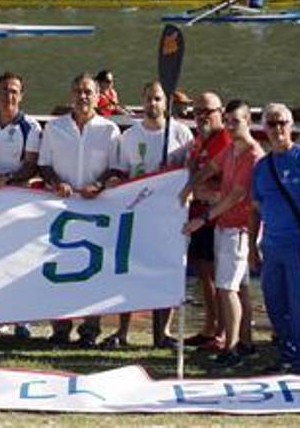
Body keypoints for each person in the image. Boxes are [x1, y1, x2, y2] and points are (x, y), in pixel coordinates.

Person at [101, 81, 193, 349]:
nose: (153, 104)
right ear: (142, 101)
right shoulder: (129, 137)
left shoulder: (181, 134)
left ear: (166, 102)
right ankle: (122, 331)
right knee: (131, 273)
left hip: (171, 218)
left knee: (167, 272)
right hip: (137, 216)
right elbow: (119, 174)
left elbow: (190, 172)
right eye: (149, 99)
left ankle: (161, 333)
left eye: (158, 99)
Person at [38, 72, 121, 348]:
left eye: (88, 92)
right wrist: (55, 182)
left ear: (98, 96)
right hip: (60, 208)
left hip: (97, 209)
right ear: (71, 94)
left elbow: (116, 168)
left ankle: (90, 329)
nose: (83, 97)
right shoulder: (54, 128)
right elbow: (44, 164)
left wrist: (98, 184)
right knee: (57, 268)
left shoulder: (110, 130)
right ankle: (60, 328)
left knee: (93, 271)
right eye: (78, 91)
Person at [181, 99, 262, 368]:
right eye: (227, 121)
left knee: (226, 289)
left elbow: (236, 196)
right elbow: (211, 168)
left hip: (238, 228)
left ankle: (232, 347)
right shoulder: (231, 150)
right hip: (224, 225)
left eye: (235, 121)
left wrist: (202, 218)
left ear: (248, 121)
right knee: (240, 288)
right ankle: (247, 343)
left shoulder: (252, 154)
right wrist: (189, 186)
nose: (230, 126)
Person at [250, 103, 300, 375]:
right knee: (274, 303)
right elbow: (256, 209)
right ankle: (286, 355)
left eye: (282, 122)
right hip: (271, 246)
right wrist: (251, 246)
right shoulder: (262, 167)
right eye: (271, 124)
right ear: (264, 129)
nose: (278, 128)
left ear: (291, 125)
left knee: (298, 304)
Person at [180, 92, 232, 351]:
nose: (202, 117)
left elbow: (225, 182)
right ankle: (210, 326)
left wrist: (198, 188)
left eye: (207, 111)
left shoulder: (224, 139)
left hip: (216, 218)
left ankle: (222, 332)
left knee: (219, 277)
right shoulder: (199, 139)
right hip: (197, 218)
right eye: (197, 112)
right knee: (203, 275)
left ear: (220, 112)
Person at [0, 72, 41, 191]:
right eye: (4, 90)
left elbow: (31, 166)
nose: (8, 96)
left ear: (21, 96)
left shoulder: (31, 127)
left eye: (14, 92)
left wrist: (6, 178)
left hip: (14, 191)